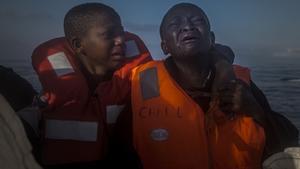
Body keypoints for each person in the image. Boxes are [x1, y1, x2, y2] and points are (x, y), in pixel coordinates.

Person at [113, 3, 298, 169]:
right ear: (164, 46)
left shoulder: (241, 83)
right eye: (175, 24)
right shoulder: (142, 88)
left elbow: (288, 139)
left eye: (197, 21)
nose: (187, 26)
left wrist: (256, 110)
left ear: (211, 38)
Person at [31, 3, 151, 168]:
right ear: (78, 45)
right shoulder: (49, 98)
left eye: (121, 32)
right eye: (109, 34)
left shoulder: (136, 85)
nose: (121, 40)